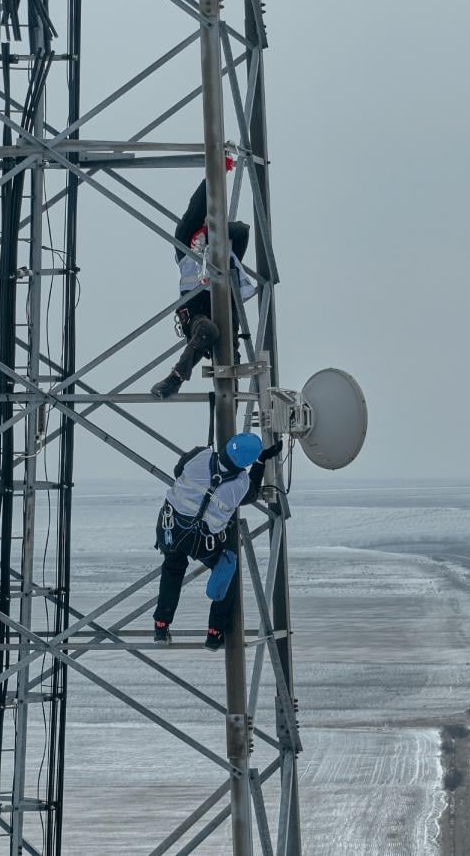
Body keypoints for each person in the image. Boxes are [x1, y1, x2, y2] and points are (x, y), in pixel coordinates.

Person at [152, 431, 282, 650]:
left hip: (170, 528)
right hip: (202, 541)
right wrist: (262, 461)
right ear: (247, 462)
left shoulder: (200, 455)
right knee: (228, 572)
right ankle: (214, 632)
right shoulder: (240, 484)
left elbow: (178, 470)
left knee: (173, 569)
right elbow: (251, 494)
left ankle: (161, 625)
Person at [151, 161, 258, 399]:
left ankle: (232, 427)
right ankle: (176, 377)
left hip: (225, 313)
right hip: (197, 315)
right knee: (208, 330)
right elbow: (195, 209)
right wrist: (215, 173)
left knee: (231, 368)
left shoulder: (223, 249)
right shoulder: (186, 246)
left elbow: (241, 230)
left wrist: (212, 234)